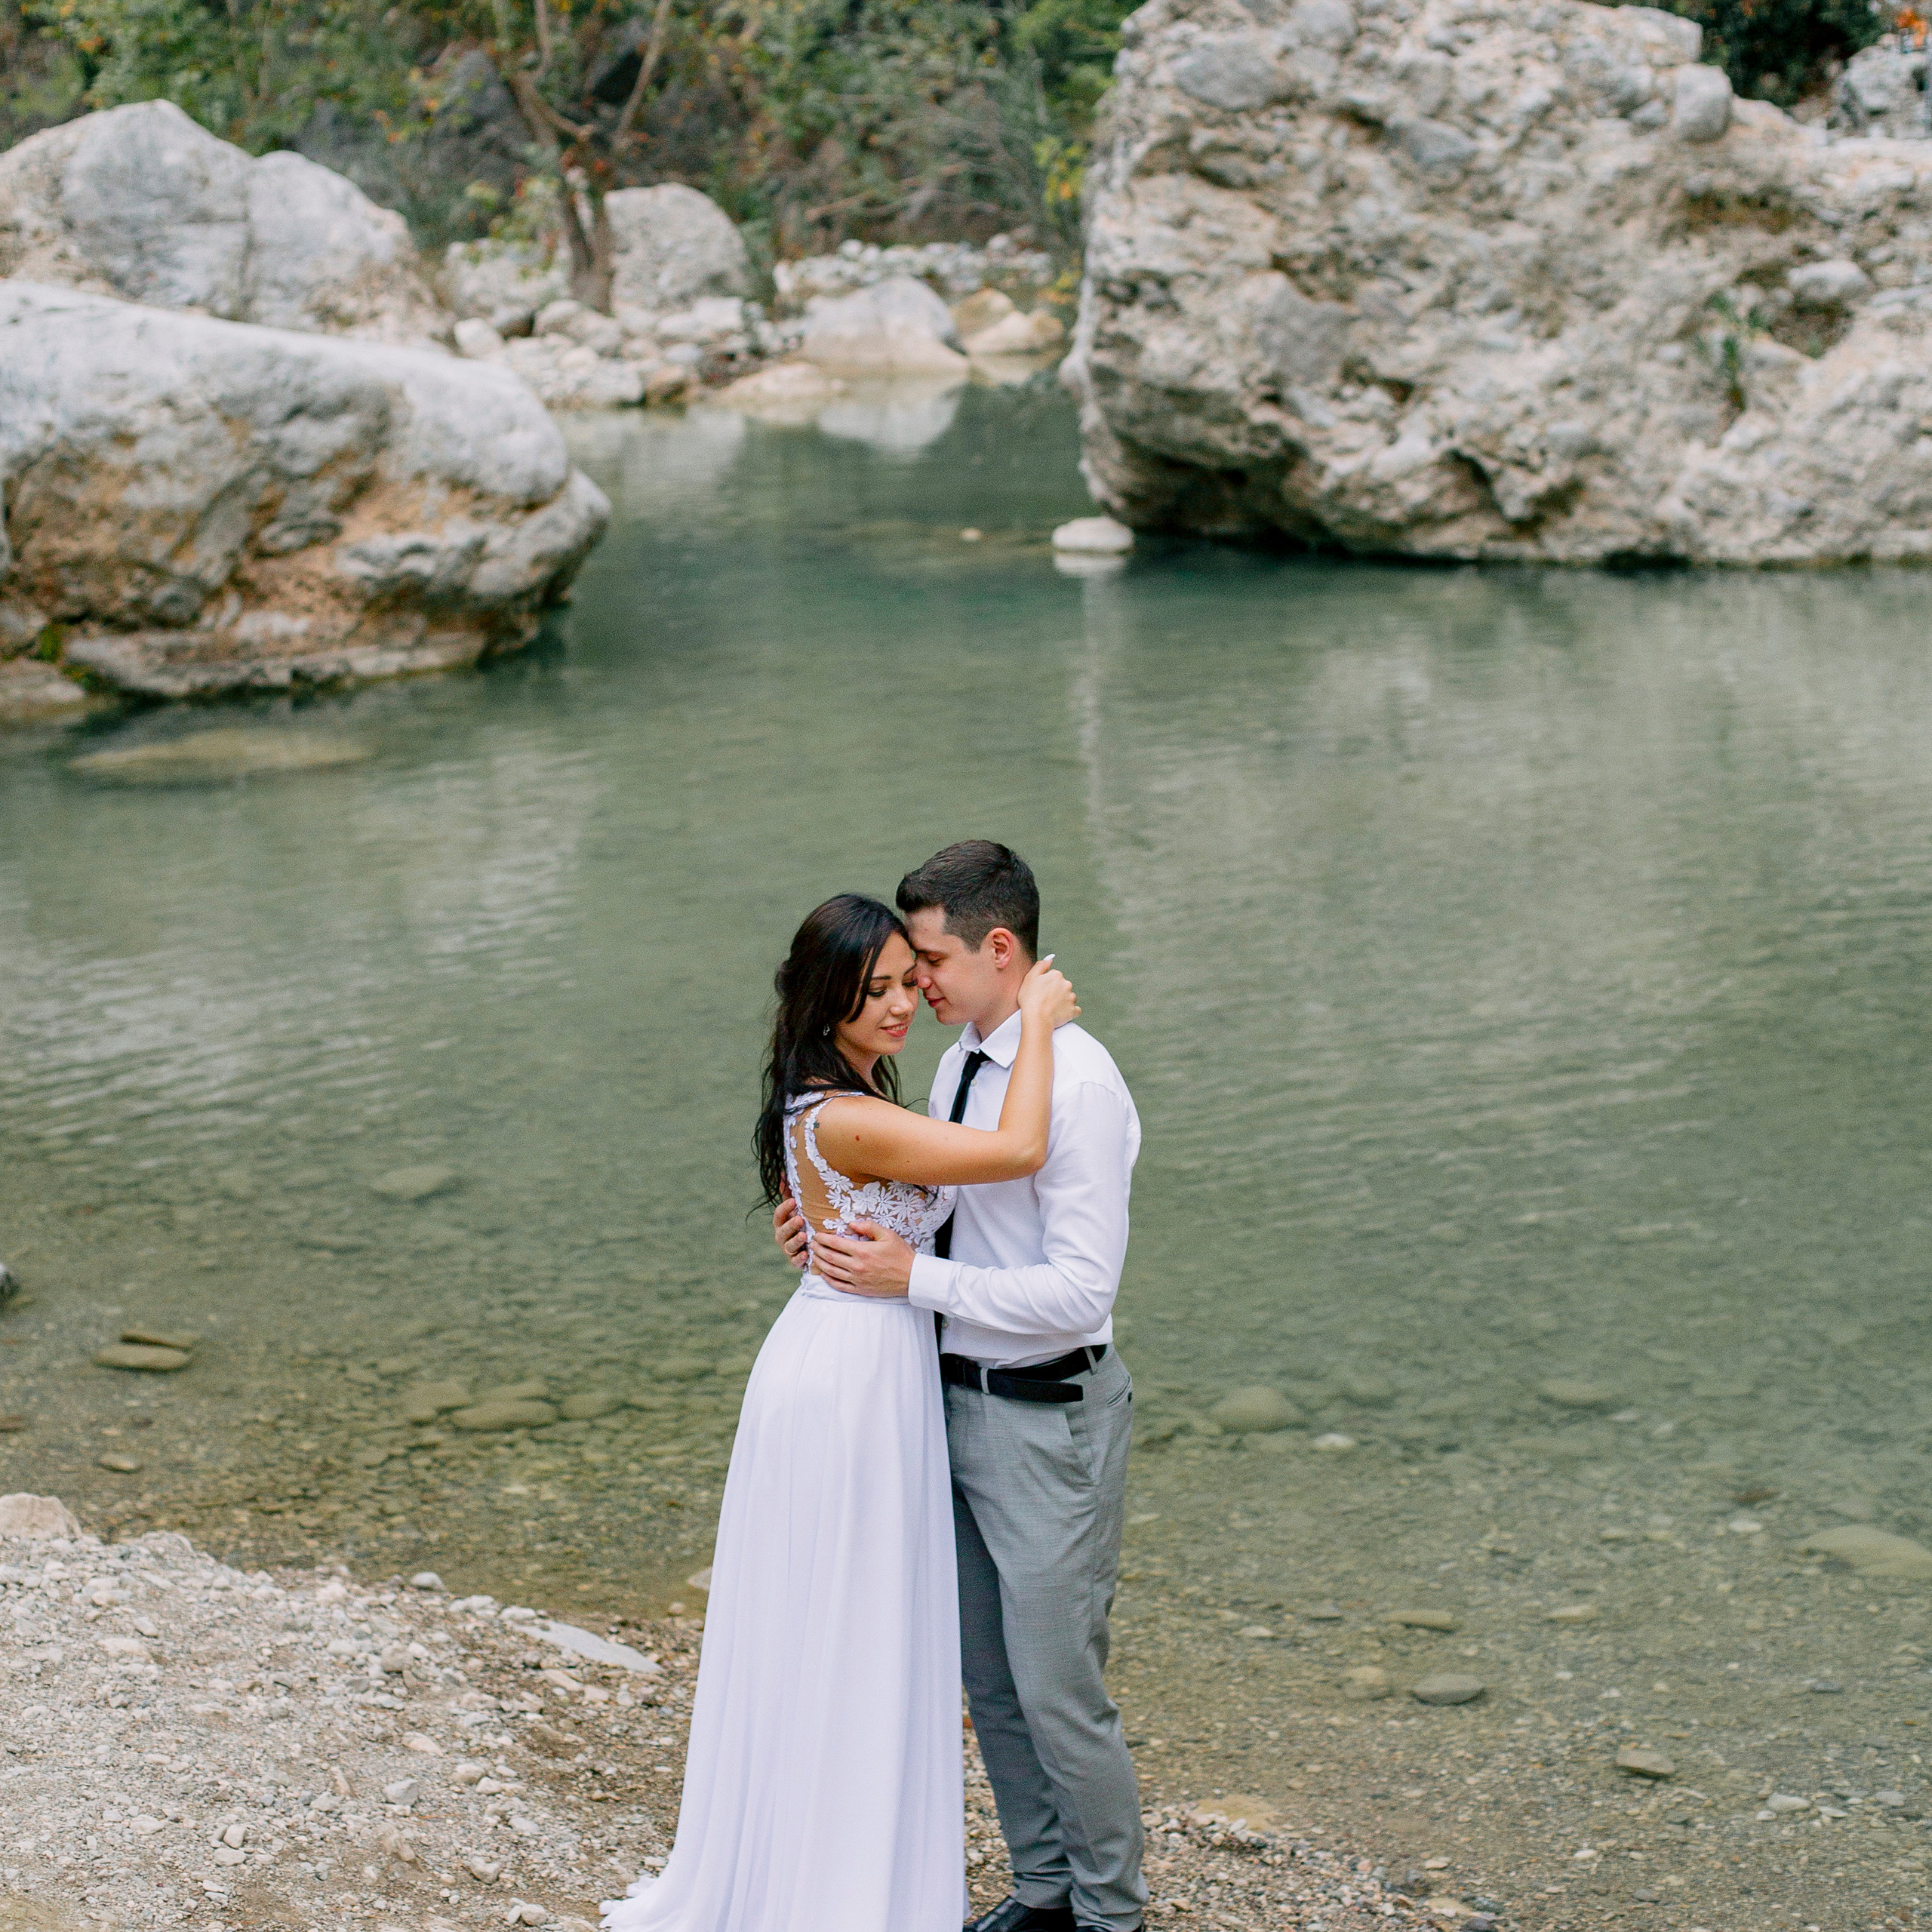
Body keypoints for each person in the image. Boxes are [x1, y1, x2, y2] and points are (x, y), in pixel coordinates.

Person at [603, 891, 1080, 1932]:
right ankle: (841, 1890)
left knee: (847, 1623)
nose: (904, 1005)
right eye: (875, 994)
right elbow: (1014, 1153)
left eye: (911, 980)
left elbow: (853, 1206)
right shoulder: (850, 1112)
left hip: (858, 1354)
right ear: (828, 1004)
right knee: (854, 1626)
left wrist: (820, 1226)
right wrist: (1038, 1023)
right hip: (851, 1377)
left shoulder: (839, 1095)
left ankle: (831, 1868)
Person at [787, 841, 1146, 1932]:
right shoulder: (958, 1065)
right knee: (989, 1684)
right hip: (951, 1403)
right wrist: (831, 1227)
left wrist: (914, 1276)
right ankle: (1043, 1893)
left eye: (930, 960)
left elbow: (1081, 1295)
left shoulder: (1078, 1084)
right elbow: (936, 1201)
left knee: (1059, 1694)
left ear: (1001, 949)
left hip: (1048, 1416)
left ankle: (1113, 1915)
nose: (917, 984)